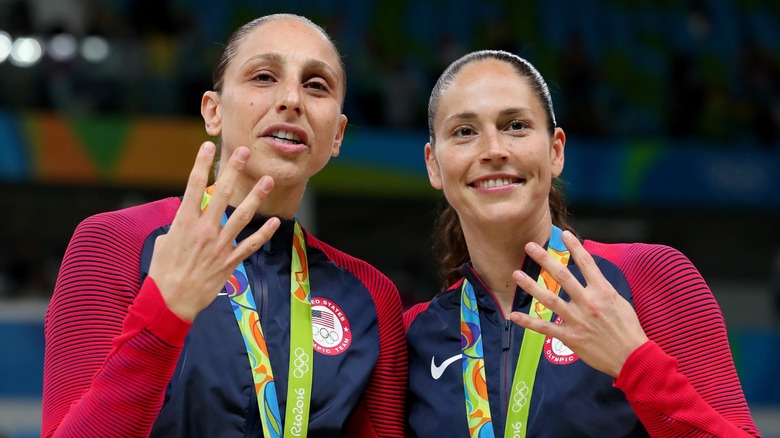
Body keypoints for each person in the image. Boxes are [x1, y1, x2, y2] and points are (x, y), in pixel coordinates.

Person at [41, 14, 406, 437]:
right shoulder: (115, 242)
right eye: (264, 77)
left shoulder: (371, 295)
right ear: (213, 112)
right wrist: (165, 316)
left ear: (337, 134)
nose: (292, 99)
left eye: (316, 85)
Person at [404, 49, 760, 437]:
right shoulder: (415, 334)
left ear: (555, 151)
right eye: (464, 132)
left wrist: (633, 363)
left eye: (516, 125)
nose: (493, 149)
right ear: (433, 165)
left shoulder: (646, 275)